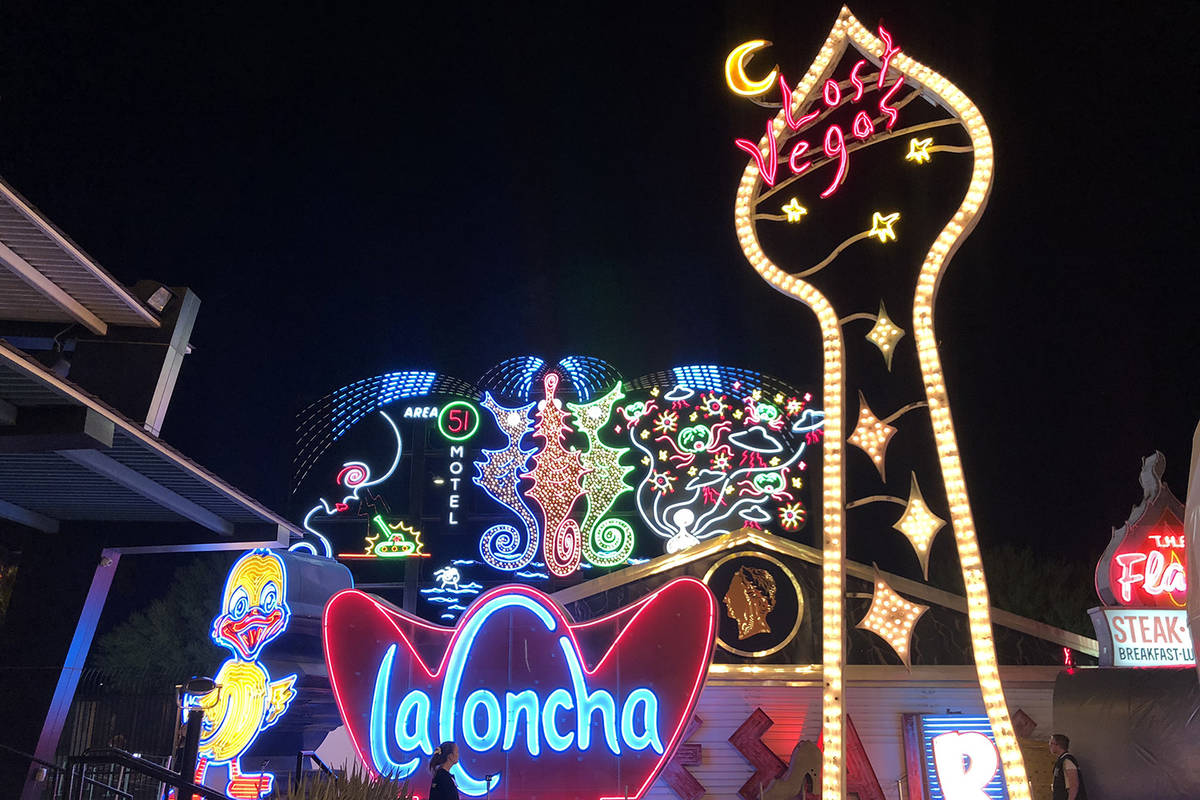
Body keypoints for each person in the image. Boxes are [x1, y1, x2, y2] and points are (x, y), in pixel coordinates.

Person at [1049, 733, 1088, 800]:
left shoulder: (1067, 760)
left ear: (1058, 745)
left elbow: (1073, 785)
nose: (1050, 746)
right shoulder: (1060, 761)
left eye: (1051, 743)